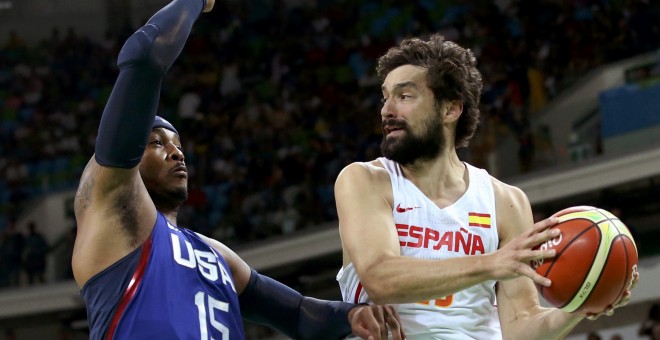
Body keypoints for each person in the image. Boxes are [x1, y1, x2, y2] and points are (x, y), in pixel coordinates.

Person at [71, 0, 404, 339]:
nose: (176, 153)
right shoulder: (107, 201)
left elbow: (298, 312)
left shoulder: (213, 253)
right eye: (157, 143)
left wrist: (352, 314)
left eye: (179, 145)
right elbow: (144, 55)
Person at [334, 34, 638, 339]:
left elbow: (521, 325)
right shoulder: (364, 180)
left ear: (450, 109)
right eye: (385, 97)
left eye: (405, 96)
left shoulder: (506, 201)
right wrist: (492, 263)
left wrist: (578, 304)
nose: (386, 110)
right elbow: (380, 278)